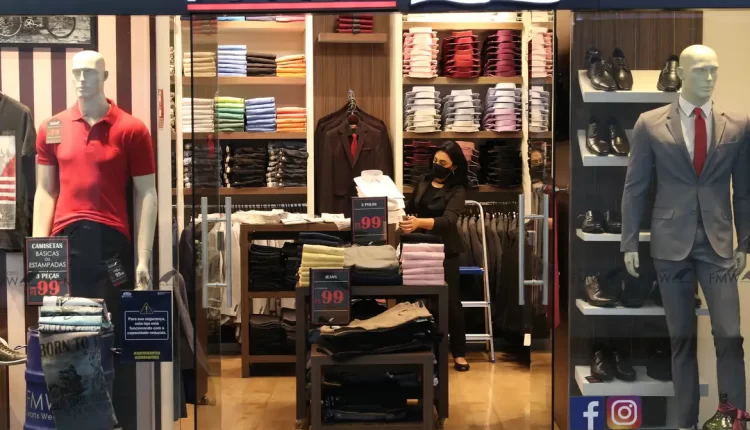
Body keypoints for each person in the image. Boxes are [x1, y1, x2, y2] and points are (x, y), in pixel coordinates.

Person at [400, 141, 469, 371]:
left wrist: (419, 222)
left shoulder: (457, 190)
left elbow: (448, 221)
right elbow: (411, 208)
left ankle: (459, 353)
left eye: (443, 163)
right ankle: (418, 346)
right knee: (415, 297)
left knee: (451, 301)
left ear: (454, 166)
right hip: (418, 246)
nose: (437, 165)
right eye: (435, 160)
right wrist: (402, 216)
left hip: (445, 250)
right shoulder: (423, 181)